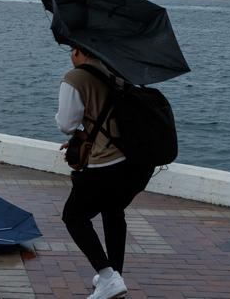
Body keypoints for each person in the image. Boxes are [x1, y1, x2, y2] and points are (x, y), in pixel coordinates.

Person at [57, 46, 154, 299]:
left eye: (71, 49)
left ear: (78, 50)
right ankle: (115, 276)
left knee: (74, 216)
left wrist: (67, 125)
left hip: (105, 165)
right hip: (136, 164)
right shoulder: (117, 72)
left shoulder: (75, 77)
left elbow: (66, 124)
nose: (70, 55)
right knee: (113, 212)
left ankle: (108, 277)